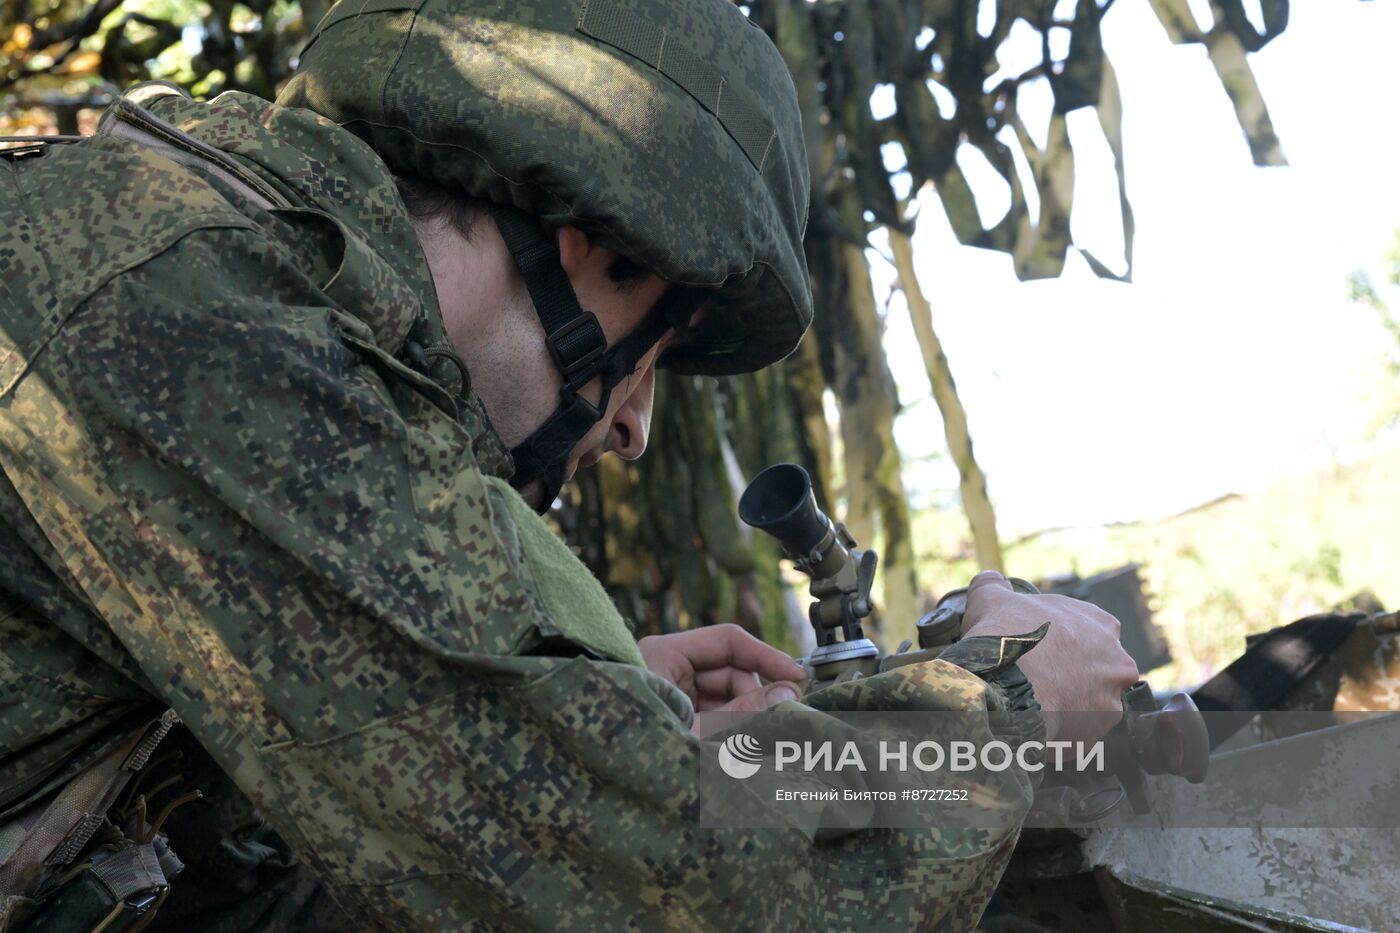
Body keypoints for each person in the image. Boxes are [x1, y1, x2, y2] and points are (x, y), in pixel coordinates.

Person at [0, 0, 1139, 929]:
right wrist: (1005, 706)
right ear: (592, 246)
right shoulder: (194, 315)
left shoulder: (211, 269)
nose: (632, 428)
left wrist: (568, 713)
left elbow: (285, 849)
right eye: (651, 356)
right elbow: (674, 890)